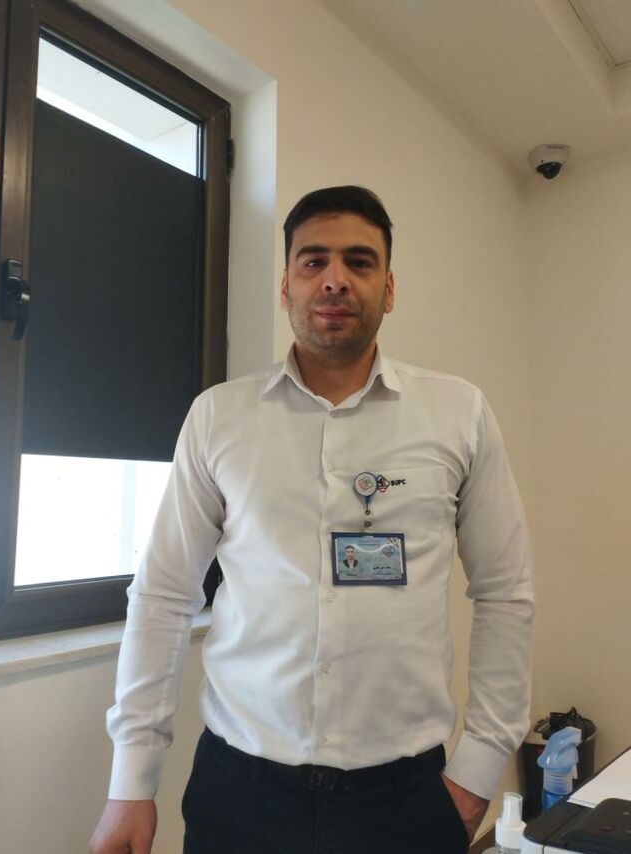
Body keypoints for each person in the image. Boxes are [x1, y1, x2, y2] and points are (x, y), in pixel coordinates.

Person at [90, 186, 534, 854]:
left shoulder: (458, 414)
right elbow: (164, 595)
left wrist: (478, 768)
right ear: (286, 286)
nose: (334, 279)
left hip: (405, 800)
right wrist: (131, 779)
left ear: (388, 288)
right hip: (239, 793)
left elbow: (505, 590)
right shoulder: (218, 417)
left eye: (360, 261)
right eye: (313, 260)